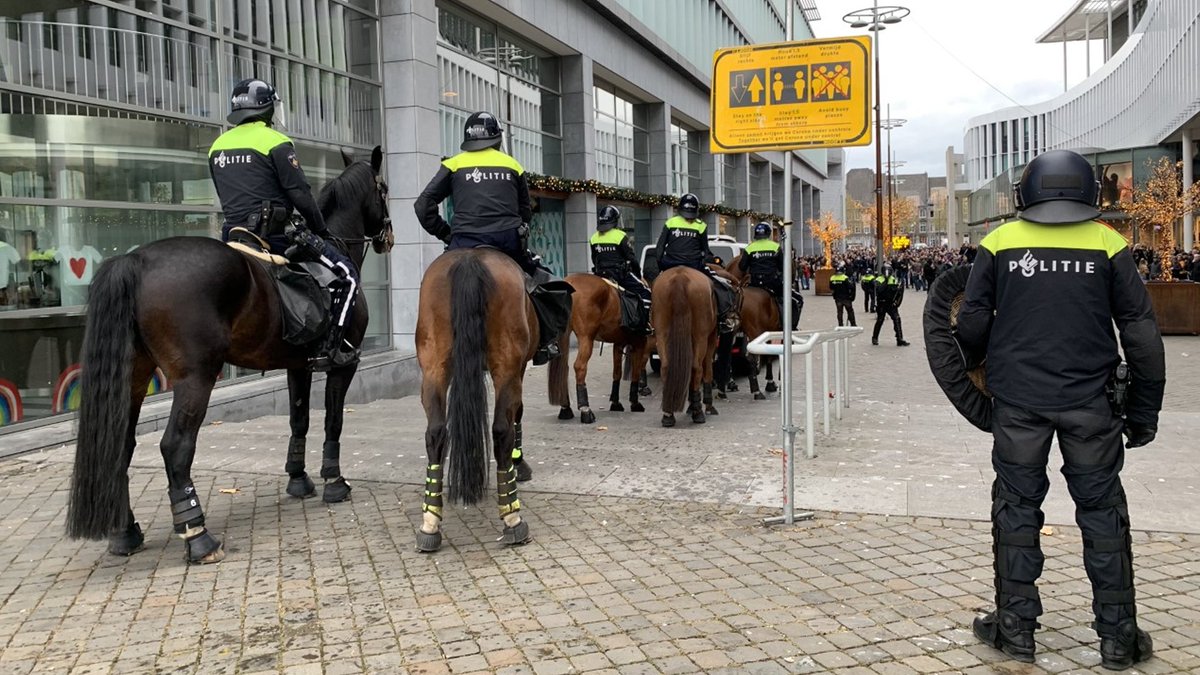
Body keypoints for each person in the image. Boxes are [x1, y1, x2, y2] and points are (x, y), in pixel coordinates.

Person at [957, 149, 1165, 670]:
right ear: (1090, 194)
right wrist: (1145, 410)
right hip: (1091, 403)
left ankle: (1015, 630)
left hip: (1019, 403)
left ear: (1026, 193)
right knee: (1103, 513)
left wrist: (977, 358)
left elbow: (972, 321)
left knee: (1016, 510)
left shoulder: (1000, 242)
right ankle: (1118, 639)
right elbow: (1141, 332)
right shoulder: (1108, 242)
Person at [209, 78, 359, 372]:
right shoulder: (276, 141)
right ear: (266, 108)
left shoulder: (218, 145)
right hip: (274, 236)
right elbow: (300, 194)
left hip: (233, 236)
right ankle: (329, 350)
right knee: (347, 276)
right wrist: (321, 229)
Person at [414, 111, 573, 366]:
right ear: (497, 139)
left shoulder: (453, 164)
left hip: (462, 242)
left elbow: (423, 205)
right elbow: (525, 214)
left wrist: (446, 232)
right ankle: (546, 343)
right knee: (545, 286)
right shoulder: (512, 165)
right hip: (506, 244)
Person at [654, 192, 738, 333]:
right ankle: (723, 319)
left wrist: (662, 265)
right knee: (722, 286)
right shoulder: (701, 225)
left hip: (669, 264)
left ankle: (650, 321)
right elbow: (705, 251)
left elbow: (659, 248)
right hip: (694, 265)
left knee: (652, 291)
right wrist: (708, 259)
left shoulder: (670, 223)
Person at [590, 205, 651, 333]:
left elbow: (594, 258)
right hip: (620, 275)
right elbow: (632, 258)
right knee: (646, 292)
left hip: (601, 275)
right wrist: (639, 275)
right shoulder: (620, 235)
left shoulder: (594, 237)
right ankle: (643, 324)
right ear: (614, 220)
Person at [738, 221, 802, 328]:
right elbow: (783, 267)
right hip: (772, 283)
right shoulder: (775, 247)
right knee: (797, 299)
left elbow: (742, 267)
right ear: (768, 233)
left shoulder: (749, 248)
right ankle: (790, 326)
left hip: (754, 283)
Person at [871, 262, 908, 346]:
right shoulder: (878, 280)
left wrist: (897, 301)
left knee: (897, 319)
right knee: (880, 320)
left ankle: (899, 339)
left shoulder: (894, 279)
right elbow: (879, 291)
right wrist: (886, 280)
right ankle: (875, 338)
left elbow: (898, 292)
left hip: (891, 304)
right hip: (882, 303)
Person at [829, 263, 856, 327]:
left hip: (838, 298)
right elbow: (851, 287)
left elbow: (831, 288)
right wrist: (851, 295)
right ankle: (853, 324)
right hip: (846, 298)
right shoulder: (845, 278)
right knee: (850, 311)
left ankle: (840, 325)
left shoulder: (832, 278)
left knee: (839, 312)